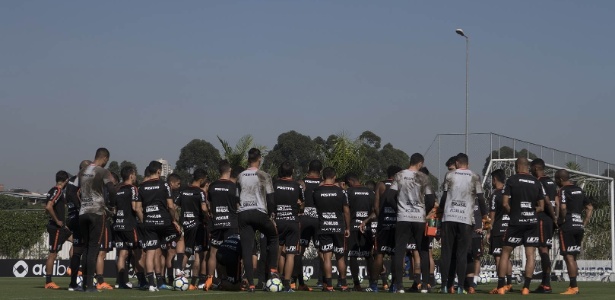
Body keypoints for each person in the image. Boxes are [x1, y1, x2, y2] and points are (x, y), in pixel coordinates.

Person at [438, 153, 487, 294]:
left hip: (449, 217)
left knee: (446, 253)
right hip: (465, 219)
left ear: (457, 163)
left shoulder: (449, 175)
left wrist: (440, 210)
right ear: (467, 164)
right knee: (462, 254)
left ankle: (445, 286)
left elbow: (444, 196)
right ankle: (460, 286)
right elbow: (481, 198)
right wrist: (485, 215)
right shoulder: (475, 176)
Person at [495, 157, 545, 295]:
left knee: (505, 253)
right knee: (531, 255)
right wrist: (530, 212)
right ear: (527, 167)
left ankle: (500, 287)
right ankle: (526, 288)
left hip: (516, 222)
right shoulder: (536, 182)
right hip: (531, 223)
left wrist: (515, 213)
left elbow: (505, 203)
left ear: (517, 166)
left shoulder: (512, 180)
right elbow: (541, 206)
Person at [390, 153, 435, 294]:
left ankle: (399, 286)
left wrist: (398, 208)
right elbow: (430, 199)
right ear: (420, 163)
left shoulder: (399, 175)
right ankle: (425, 285)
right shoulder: (424, 178)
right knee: (423, 251)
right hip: (418, 218)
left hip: (403, 217)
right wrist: (423, 211)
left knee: (400, 251)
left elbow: (389, 197)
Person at [237, 148, 279, 292]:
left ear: (248, 159)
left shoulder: (240, 175)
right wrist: (272, 216)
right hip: (259, 212)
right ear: (259, 159)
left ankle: (251, 284)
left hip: (243, 214)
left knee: (247, 250)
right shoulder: (264, 175)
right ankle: (273, 270)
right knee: (273, 236)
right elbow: (271, 199)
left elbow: (237, 197)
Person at [136, 161, 182, 292]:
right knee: (180, 238)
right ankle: (178, 267)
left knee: (151, 252)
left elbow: (138, 209)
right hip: (164, 222)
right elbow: (171, 206)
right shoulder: (164, 185)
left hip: (149, 223)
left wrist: (145, 220)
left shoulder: (141, 186)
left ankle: (152, 284)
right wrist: (174, 220)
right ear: (158, 171)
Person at [78, 148, 116, 292]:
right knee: (93, 249)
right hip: (96, 212)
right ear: (105, 158)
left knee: (86, 248)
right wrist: (112, 206)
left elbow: (74, 190)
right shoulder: (103, 171)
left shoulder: (82, 171)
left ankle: (84, 285)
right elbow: (111, 190)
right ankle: (89, 286)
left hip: (83, 212)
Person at [555, 169, 593, 295]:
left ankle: (573, 287)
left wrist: (562, 218)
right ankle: (573, 285)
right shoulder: (579, 190)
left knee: (568, 256)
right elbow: (589, 207)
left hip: (568, 226)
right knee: (573, 256)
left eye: (556, 179)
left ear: (560, 179)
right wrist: (584, 223)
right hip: (579, 226)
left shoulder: (563, 190)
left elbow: (563, 207)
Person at [313, 167, 350, 292]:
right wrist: (348, 227)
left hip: (323, 227)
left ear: (323, 177)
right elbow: (346, 211)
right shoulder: (340, 191)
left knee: (327, 257)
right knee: (340, 257)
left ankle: (328, 286)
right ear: (334, 176)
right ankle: (343, 285)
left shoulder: (317, 191)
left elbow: (315, 208)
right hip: (338, 227)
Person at [205, 160, 239, 290]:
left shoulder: (212, 186)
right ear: (229, 170)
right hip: (231, 223)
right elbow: (237, 205)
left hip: (217, 222)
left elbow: (209, 205)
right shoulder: (233, 186)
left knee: (213, 252)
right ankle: (231, 280)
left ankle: (209, 279)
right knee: (231, 252)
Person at [367, 165, 402, 292]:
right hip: (397, 224)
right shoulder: (401, 185)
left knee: (379, 254)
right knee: (395, 255)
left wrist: (381, 217)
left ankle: (374, 285)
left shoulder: (381, 185)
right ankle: (394, 285)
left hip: (383, 224)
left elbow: (375, 207)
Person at [273, 161, 304, 292]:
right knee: (291, 254)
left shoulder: (274, 185)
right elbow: (302, 205)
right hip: (293, 222)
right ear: (292, 171)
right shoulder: (297, 186)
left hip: (278, 221)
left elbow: (270, 202)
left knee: (279, 252)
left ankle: (275, 278)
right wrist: (298, 205)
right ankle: (287, 284)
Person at [176, 168, 209, 290]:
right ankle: (195, 282)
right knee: (199, 254)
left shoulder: (183, 191)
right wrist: (208, 217)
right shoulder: (200, 192)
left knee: (187, 251)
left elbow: (174, 206)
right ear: (201, 179)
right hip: (198, 225)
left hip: (186, 225)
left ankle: (180, 275)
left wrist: (177, 220)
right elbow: (204, 208)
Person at [113, 166, 144, 289]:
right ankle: (142, 281)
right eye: (135, 175)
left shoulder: (117, 189)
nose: (135, 177)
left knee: (122, 254)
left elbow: (113, 209)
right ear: (131, 175)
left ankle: (121, 282)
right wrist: (143, 221)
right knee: (137, 253)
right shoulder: (133, 189)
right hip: (129, 225)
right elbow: (136, 207)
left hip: (118, 225)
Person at [530, 158, 558, 293]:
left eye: (531, 168)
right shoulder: (552, 182)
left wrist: (554, 218)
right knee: (544, 249)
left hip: (543, 218)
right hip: (550, 220)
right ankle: (545, 283)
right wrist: (556, 218)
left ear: (535, 168)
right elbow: (556, 201)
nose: (529, 170)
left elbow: (546, 201)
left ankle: (546, 284)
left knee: (543, 250)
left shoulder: (539, 182)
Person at [344, 173, 375, 292]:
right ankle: (372, 283)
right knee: (368, 255)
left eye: (348, 184)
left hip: (353, 227)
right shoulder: (370, 192)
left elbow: (345, 211)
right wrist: (367, 221)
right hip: (366, 227)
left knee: (353, 255)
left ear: (350, 181)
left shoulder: (348, 192)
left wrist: (346, 226)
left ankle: (356, 284)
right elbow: (375, 210)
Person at [296, 159, 323, 291]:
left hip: (304, 219)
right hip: (319, 220)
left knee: (299, 252)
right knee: (323, 252)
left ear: (308, 168)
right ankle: (324, 282)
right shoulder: (323, 183)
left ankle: (298, 282)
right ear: (320, 171)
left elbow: (297, 201)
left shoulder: (302, 182)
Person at [44, 170, 71, 289]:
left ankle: (71, 268)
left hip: (61, 227)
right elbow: (49, 207)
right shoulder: (58, 191)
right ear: (65, 180)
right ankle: (48, 281)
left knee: (78, 241)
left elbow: (48, 208)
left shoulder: (52, 190)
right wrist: (57, 221)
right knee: (53, 254)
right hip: (56, 228)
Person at [487, 169, 513, 294]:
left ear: (495, 179)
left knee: (499, 258)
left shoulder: (495, 194)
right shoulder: (510, 192)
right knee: (507, 257)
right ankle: (509, 284)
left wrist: (489, 231)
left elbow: (492, 215)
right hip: (510, 228)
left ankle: (500, 286)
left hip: (498, 229)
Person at [67, 160, 91, 291]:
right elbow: (78, 195)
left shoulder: (71, 180)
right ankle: (87, 283)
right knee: (87, 250)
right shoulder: (83, 180)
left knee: (76, 252)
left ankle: (72, 284)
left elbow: (69, 196)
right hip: (81, 217)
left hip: (71, 218)